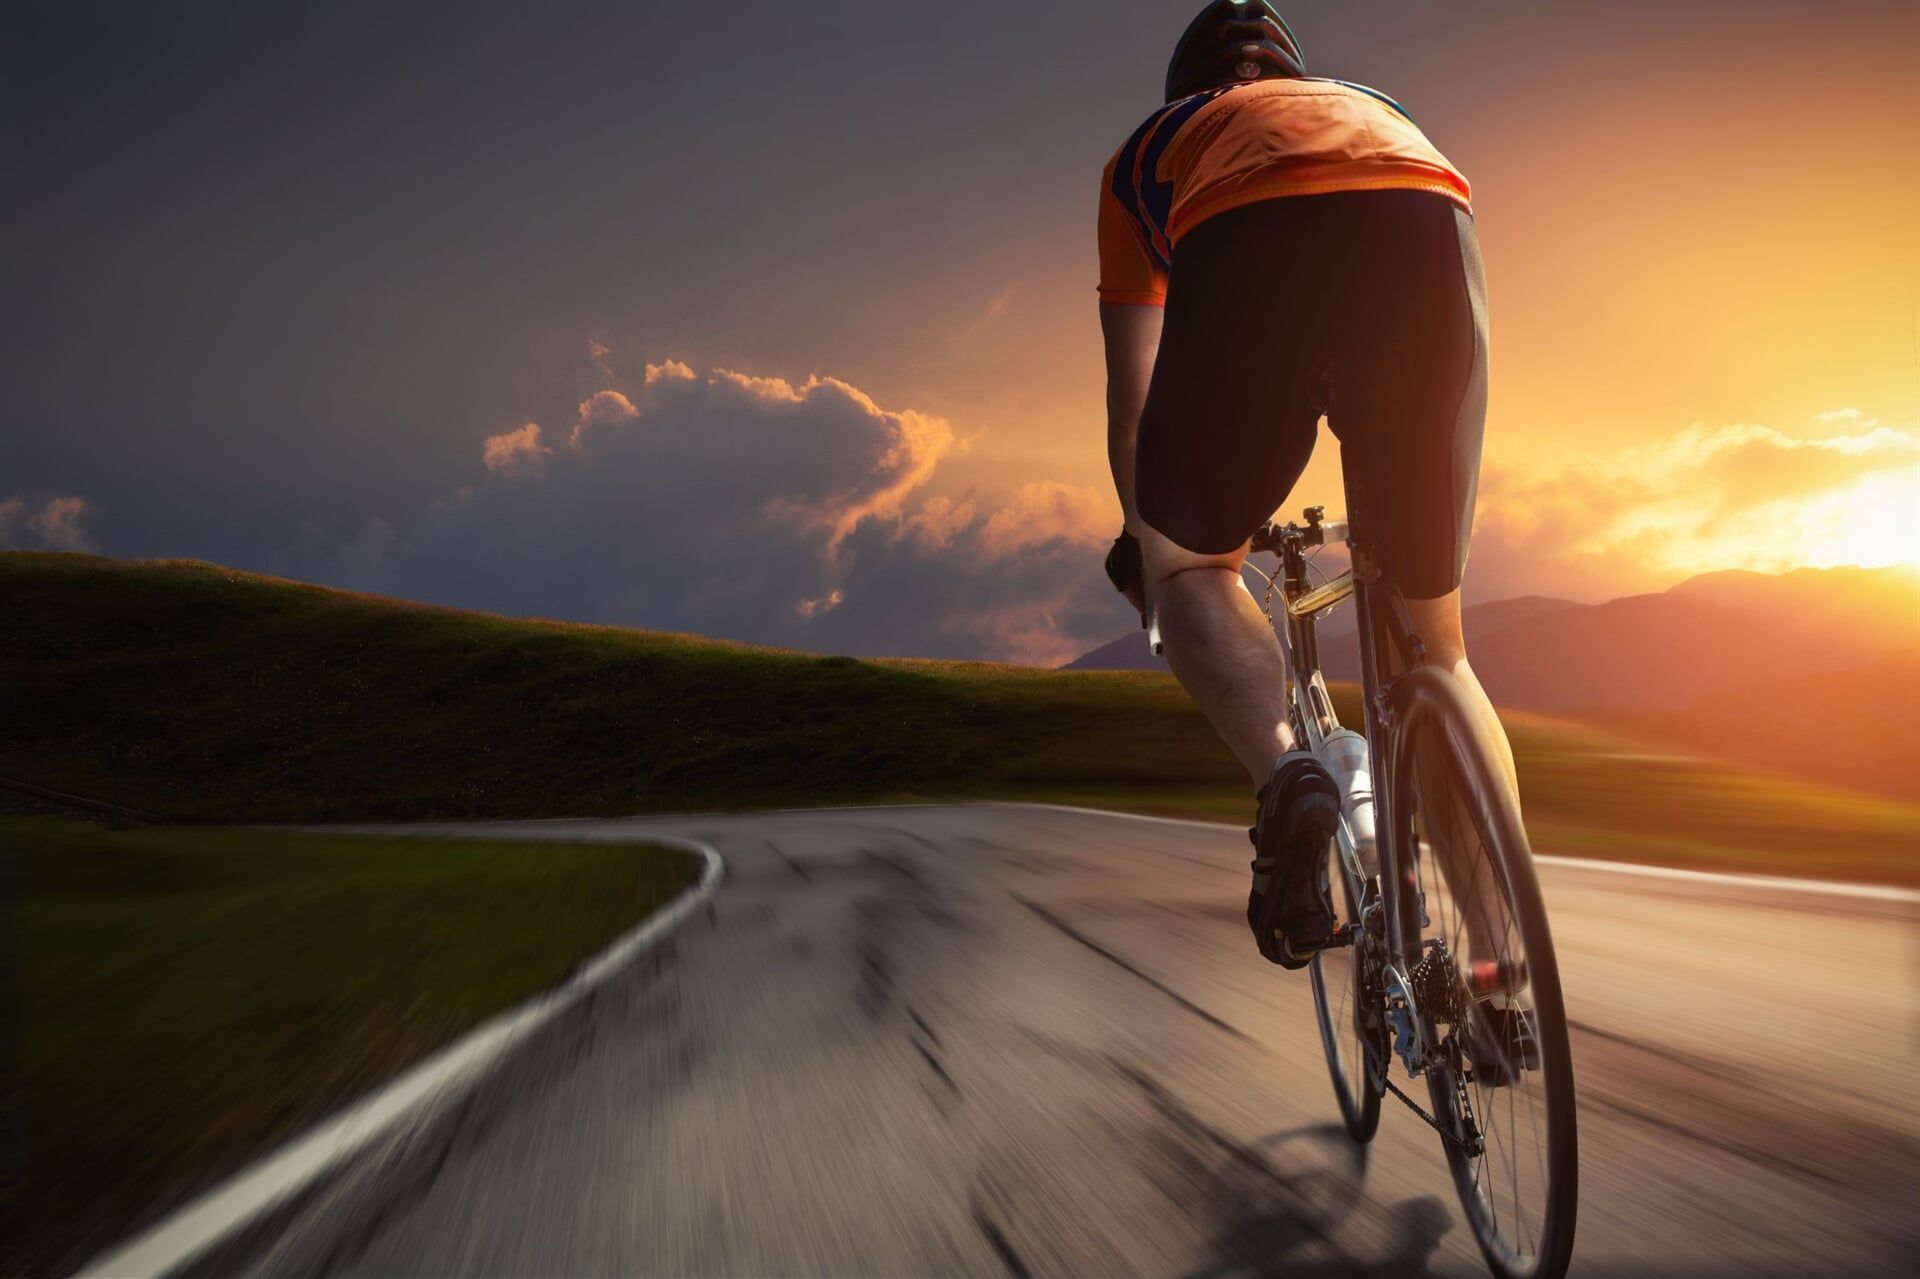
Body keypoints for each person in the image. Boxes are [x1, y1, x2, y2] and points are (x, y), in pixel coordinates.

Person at [1097, 1, 1517, 969]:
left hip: (1248, 235)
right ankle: (1501, 967)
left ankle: (1288, 776)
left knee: (1191, 567)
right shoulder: (1371, 101)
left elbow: (1133, 395)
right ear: (1290, 71)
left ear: (1188, 88)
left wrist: (1149, 548)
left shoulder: (1145, 157)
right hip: (1423, 214)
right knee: (1439, 645)